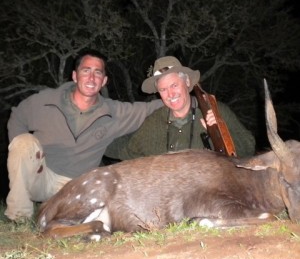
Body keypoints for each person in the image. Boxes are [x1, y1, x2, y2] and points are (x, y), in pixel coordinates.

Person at [5, 49, 163, 221]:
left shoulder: (114, 112)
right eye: (86, 70)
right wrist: (27, 160)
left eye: (97, 72)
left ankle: (55, 213)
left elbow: (148, 109)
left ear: (104, 81)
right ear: (75, 76)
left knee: (100, 212)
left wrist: (184, 97)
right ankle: (19, 216)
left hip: (75, 187)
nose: (91, 77)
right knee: (22, 142)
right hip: (41, 177)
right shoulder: (46, 100)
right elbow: (18, 115)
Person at [104, 56, 255, 161]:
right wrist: (90, 139)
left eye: (174, 85)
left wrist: (222, 131)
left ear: (187, 82)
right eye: (163, 90)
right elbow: (124, 148)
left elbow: (248, 148)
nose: (170, 94)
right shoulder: (152, 123)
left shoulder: (215, 110)